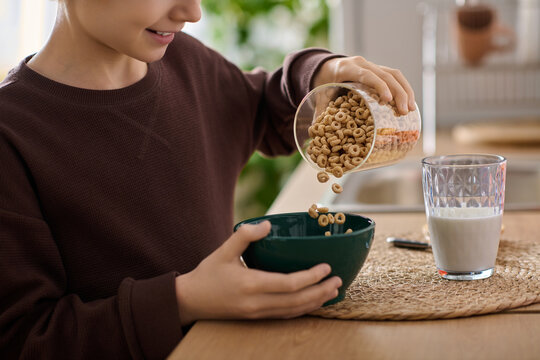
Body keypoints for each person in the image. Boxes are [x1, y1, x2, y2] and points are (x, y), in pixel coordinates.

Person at [0, 0, 416, 359]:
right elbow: (23, 340)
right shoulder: (13, 134)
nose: (192, 13)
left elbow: (264, 110)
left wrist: (321, 71)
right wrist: (181, 302)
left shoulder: (186, 63)